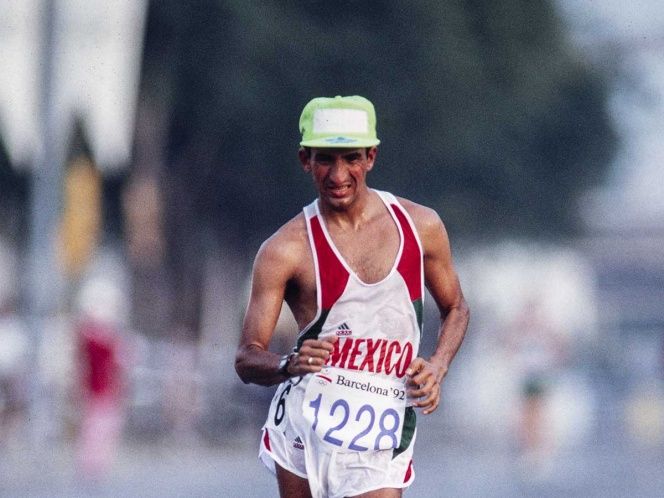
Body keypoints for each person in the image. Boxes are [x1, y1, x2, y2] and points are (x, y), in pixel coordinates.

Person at [235, 95, 469, 498]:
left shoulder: (421, 227)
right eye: (325, 159)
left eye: (351, 158)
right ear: (305, 160)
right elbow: (246, 357)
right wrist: (288, 364)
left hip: (383, 428)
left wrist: (438, 365)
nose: (338, 175)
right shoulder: (285, 249)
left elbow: (456, 307)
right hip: (304, 429)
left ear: (371, 157)